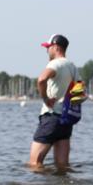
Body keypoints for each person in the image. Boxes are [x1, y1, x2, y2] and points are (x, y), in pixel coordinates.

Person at [28, 34, 79, 169]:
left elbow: (41, 79)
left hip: (51, 117)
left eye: (48, 47)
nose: (47, 50)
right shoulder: (72, 66)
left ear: (56, 47)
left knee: (34, 163)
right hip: (66, 120)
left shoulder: (55, 63)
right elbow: (80, 92)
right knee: (62, 166)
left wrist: (45, 98)